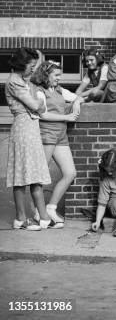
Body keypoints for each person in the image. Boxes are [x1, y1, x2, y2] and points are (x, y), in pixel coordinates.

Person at [6, 48, 59, 231]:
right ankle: (20, 218)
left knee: (35, 172)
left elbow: (39, 107)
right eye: (31, 65)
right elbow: (36, 105)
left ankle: (43, 216)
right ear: (22, 65)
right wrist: (40, 101)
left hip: (31, 128)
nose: (32, 69)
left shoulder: (22, 81)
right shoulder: (15, 82)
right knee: (21, 175)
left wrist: (39, 103)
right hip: (23, 129)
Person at [31, 61, 84, 225]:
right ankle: (36, 212)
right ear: (46, 75)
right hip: (46, 134)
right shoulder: (39, 91)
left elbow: (78, 97)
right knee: (40, 175)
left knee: (70, 173)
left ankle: (50, 208)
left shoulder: (59, 89)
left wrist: (76, 104)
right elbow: (43, 115)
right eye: (56, 75)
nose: (59, 78)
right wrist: (66, 117)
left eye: (60, 75)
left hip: (61, 135)